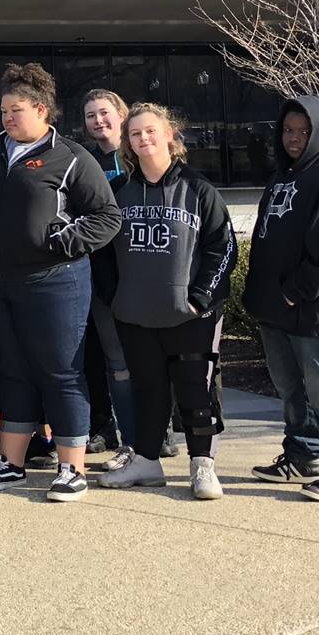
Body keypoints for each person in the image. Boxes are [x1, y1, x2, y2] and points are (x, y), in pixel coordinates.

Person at [0, 63, 121, 503]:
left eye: (16, 109)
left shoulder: (69, 156)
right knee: (12, 372)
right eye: (4, 109)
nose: (8, 117)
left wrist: (63, 239)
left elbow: (107, 216)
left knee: (60, 372)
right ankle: (11, 463)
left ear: (41, 109)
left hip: (54, 282)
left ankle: (72, 467)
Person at [100, 103, 237, 501]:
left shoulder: (199, 190)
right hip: (136, 313)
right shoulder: (119, 192)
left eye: (150, 131)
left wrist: (200, 297)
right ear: (127, 143)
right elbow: (103, 252)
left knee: (196, 389)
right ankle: (146, 461)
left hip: (191, 315)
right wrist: (114, 296)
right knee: (148, 389)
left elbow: (223, 249)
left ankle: (202, 464)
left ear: (169, 136)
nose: (143, 139)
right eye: (135, 134)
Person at [244, 96, 319, 502]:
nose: (294, 139)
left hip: (318, 312)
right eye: (288, 131)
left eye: (304, 131)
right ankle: (302, 456)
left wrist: (295, 294)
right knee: (292, 390)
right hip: (277, 312)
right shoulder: (283, 176)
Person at [80, 88, 138, 458]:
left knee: (132, 359)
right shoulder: (84, 161)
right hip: (94, 275)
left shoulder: (137, 159)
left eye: (104, 113)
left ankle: (150, 429)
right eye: (90, 116)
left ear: (122, 114)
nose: (98, 121)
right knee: (96, 358)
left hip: (134, 275)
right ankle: (104, 428)